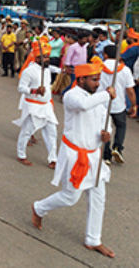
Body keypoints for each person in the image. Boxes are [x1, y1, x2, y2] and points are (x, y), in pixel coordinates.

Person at [32, 63, 117, 259]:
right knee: (70, 197)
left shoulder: (99, 97)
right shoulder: (72, 96)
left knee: (98, 198)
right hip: (75, 156)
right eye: (94, 80)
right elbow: (84, 105)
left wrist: (107, 134)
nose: (98, 84)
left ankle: (93, 240)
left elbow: (106, 119)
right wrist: (107, 94)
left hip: (94, 155)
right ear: (80, 80)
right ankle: (38, 208)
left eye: (99, 79)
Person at [13, 42, 60, 168]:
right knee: (27, 132)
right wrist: (34, 91)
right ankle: (21, 155)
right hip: (33, 106)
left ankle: (53, 159)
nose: (47, 59)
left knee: (52, 133)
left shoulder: (47, 69)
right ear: (37, 58)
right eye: (44, 57)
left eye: (47, 57)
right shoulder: (29, 71)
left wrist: (64, 71)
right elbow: (21, 88)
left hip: (47, 106)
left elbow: (55, 68)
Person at [96, 46, 136, 165]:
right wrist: (133, 105)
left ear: (105, 55)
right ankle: (118, 148)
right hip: (118, 105)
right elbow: (130, 91)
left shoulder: (98, 67)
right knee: (121, 126)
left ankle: (106, 155)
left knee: (104, 128)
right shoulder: (125, 70)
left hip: (101, 104)